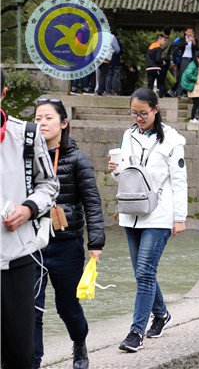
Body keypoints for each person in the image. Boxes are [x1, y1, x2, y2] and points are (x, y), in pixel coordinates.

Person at [108, 87, 187, 352]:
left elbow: (179, 181)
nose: (139, 118)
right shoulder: (127, 136)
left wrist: (180, 218)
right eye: (134, 113)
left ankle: (136, 332)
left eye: (143, 113)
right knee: (142, 273)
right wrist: (114, 170)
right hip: (131, 211)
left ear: (156, 110)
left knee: (144, 273)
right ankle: (162, 313)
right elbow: (124, 175)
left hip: (159, 213)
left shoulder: (172, 141)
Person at [33, 99, 105, 369]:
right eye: (38, 118)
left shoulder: (78, 159)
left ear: (63, 123)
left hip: (67, 244)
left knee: (67, 306)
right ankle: (33, 360)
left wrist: (95, 242)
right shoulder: (27, 157)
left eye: (48, 118)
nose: (42, 123)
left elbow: (92, 202)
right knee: (31, 308)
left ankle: (79, 343)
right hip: (33, 244)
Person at [1, 78, 59, 369]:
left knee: (19, 354)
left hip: (17, 258)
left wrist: (27, 209)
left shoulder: (25, 134)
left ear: (3, 93)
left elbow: (49, 185)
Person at [182, 52, 199, 125]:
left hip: (196, 87)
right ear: (197, 58)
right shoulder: (192, 65)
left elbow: (198, 74)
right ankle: (192, 118)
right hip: (192, 86)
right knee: (196, 103)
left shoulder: (197, 64)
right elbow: (188, 74)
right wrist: (196, 79)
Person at [172, 27, 199, 98]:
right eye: (189, 31)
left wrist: (193, 42)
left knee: (190, 76)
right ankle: (179, 93)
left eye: (191, 31)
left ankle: (187, 92)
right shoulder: (182, 39)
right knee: (183, 75)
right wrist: (187, 41)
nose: (190, 33)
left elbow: (198, 48)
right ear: (185, 32)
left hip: (192, 59)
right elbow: (179, 46)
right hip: (184, 59)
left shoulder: (195, 39)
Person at [158, 27, 174, 98]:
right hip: (167, 60)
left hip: (161, 59)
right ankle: (163, 92)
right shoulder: (171, 41)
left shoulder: (162, 40)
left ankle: (161, 92)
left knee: (160, 76)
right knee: (163, 76)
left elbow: (160, 48)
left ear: (163, 32)